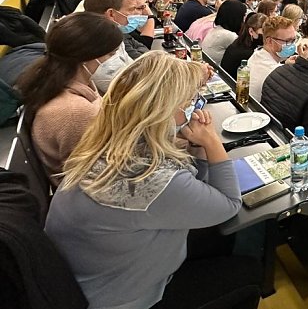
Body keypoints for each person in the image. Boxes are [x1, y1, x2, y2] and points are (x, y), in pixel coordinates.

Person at [45, 52, 259, 309]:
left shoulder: (106, 144)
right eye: (190, 101)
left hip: (90, 279)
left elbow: (195, 191)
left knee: (218, 239)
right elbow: (229, 204)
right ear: (164, 111)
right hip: (128, 298)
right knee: (248, 271)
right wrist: (212, 142)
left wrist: (198, 148)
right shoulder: (152, 179)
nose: (195, 107)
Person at [17, 13, 124, 185]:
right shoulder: (74, 112)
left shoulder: (74, 85)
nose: (113, 60)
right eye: (110, 54)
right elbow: (96, 176)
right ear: (87, 56)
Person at [83, 0, 153, 93]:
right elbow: (132, 91)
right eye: (132, 9)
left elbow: (132, 65)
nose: (137, 14)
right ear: (111, 13)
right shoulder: (100, 54)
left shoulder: (112, 35)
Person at [249, 16, 298, 101]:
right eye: (288, 41)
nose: (292, 45)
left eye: (294, 40)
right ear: (270, 41)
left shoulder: (257, 54)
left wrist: (285, 65)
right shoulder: (276, 74)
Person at [203, 0, 248, 64]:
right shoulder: (229, 36)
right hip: (217, 71)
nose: (243, 20)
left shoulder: (216, 30)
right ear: (237, 17)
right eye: (243, 16)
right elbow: (244, 53)